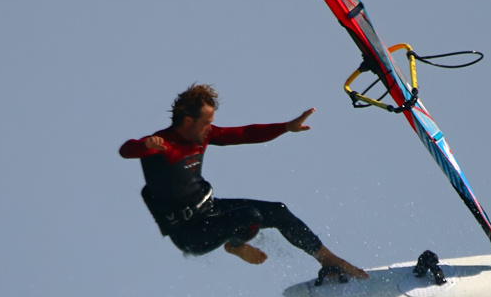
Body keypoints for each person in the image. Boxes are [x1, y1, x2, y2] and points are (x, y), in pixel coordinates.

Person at [120, 84, 367, 279]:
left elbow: (245, 133)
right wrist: (144, 145)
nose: (211, 128)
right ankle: (236, 246)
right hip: (189, 232)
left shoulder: (203, 135)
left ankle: (328, 260)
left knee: (278, 211)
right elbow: (126, 150)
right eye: (207, 122)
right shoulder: (161, 145)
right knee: (251, 216)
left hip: (210, 209)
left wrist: (285, 127)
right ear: (188, 122)